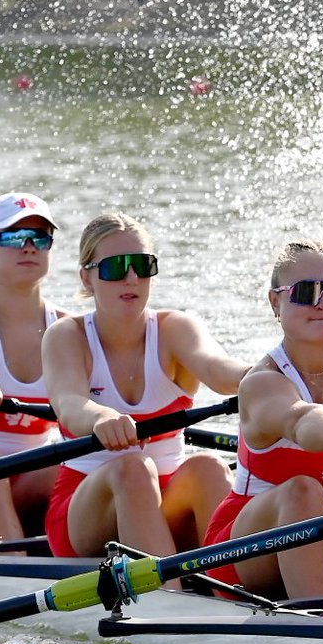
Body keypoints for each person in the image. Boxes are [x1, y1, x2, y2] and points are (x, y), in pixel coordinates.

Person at [41, 211, 251, 564]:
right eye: (115, 267)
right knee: (133, 468)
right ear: (87, 277)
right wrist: (101, 417)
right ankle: (170, 593)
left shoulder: (175, 329)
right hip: (85, 511)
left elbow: (218, 369)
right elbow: (69, 403)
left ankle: (231, 586)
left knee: (209, 467)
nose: (132, 278)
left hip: (166, 501)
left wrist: (269, 375)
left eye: (142, 265)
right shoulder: (67, 335)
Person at [203, 239, 323, 599]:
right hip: (245, 553)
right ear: (275, 302)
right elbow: (301, 421)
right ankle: (321, 618)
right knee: (303, 491)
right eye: (306, 292)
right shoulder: (261, 382)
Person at [0, 190, 69, 541]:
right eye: (14, 236)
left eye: (40, 237)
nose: (29, 247)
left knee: (75, 465)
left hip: (32, 483)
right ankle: (14, 556)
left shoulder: (71, 331)